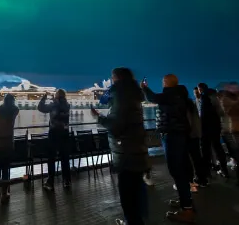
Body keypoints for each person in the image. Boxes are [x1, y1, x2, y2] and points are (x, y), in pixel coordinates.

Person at [92, 67, 149, 225]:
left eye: (112, 77)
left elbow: (117, 126)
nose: (111, 79)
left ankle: (132, 221)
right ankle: (139, 219)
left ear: (117, 78)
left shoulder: (121, 95)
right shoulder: (134, 95)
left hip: (125, 152)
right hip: (137, 148)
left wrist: (100, 117)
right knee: (137, 187)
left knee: (126, 192)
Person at [142, 74, 195, 223]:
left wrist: (144, 88)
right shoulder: (180, 95)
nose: (162, 84)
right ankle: (186, 201)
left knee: (176, 170)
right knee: (181, 169)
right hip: (180, 135)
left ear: (166, 83)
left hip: (172, 135)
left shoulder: (171, 95)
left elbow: (152, 98)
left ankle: (187, 209)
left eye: (163, 82)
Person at [38, 88, 71, 191]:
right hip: (65, 133)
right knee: (65, 158)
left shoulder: (54, 105)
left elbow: (41, 108)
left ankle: (50, 182)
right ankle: (67, 181)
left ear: (56, 95)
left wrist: (44, 97)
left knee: (51, 158)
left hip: (54, 133)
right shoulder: (67, 105)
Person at [0, 94, 20, 202]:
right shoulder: (13, 111)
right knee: (6, 169)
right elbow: (16, 108)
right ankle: (4, 193)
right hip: (7, 144)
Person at [198, 83, 229, 178]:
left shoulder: (204, 97)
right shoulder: (215, 96)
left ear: (200, 89)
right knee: (218, 147)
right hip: (216, 125)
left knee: (206, 150)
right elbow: (221, 111)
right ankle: (225, 170)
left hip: (207, 127)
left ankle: (207, 172)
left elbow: (203, 114)